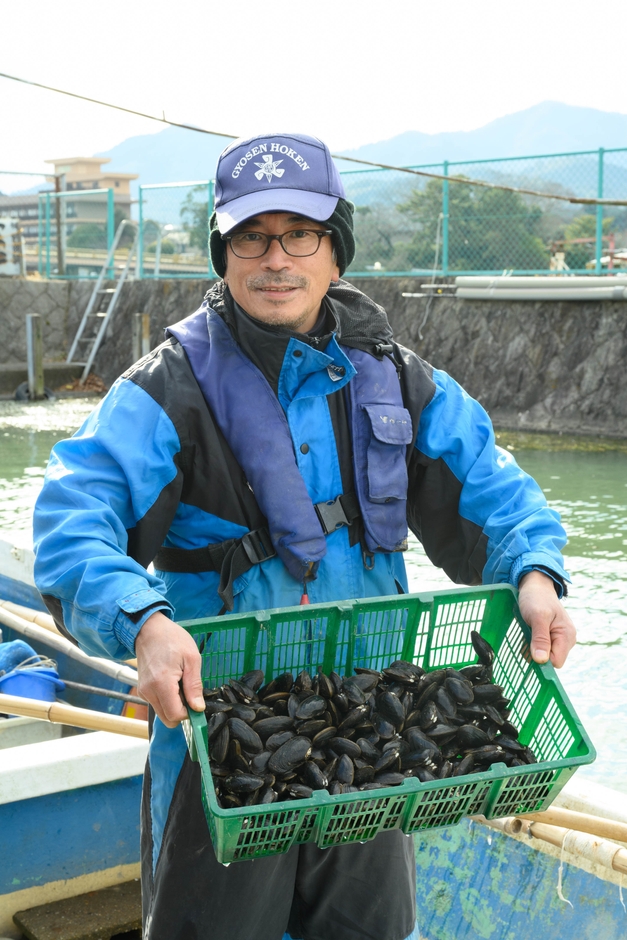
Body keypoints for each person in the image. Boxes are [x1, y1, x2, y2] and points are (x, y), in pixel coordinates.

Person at [33, 132, 576, 940]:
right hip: (221, 743)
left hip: (372, 738)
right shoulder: (164, 390)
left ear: (335, 250)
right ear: (223, 253)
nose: (274, 258)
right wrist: (141, 621)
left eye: (300, 235)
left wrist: (534, 573)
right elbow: (73, 525)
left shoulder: (399, 376)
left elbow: (498, 495)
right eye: (251, 236)